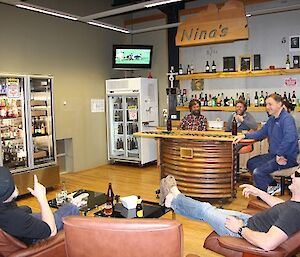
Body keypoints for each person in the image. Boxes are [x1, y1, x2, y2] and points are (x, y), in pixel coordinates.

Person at [160, 173, 300, 251]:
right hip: (249, 222)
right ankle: (173, 200)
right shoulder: (295, 205)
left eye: (298, 174)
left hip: (245, 232)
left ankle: (174, 197)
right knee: (206, 211)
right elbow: (282, 206)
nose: (293, 175)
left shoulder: (294, 212)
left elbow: (268, 244)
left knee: (206, 209)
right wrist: (259, 192)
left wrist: (240, 229)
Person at [233, 94, 299, 194]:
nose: (267, 107)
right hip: (274, 155)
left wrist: (280, 154)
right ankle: (273, 185)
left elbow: (290, 138)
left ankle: (263, 197)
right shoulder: (272, 119)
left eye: (270, 104)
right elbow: (261, 133)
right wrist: (244, 136)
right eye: (266, 104)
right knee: (251, 163)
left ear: (279, 104)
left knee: (258, 172)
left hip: (286, 157)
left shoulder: (287, 119)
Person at [0, 166, 79, 245]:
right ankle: (76, 245)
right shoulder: (14, 217)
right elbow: (51, 231)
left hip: (19, 229)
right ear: (7, 193)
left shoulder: (4, 205)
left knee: (27, 209)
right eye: (12, 184)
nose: (15, 184)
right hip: (33, 236)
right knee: (71, 208)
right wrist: (41, 197)